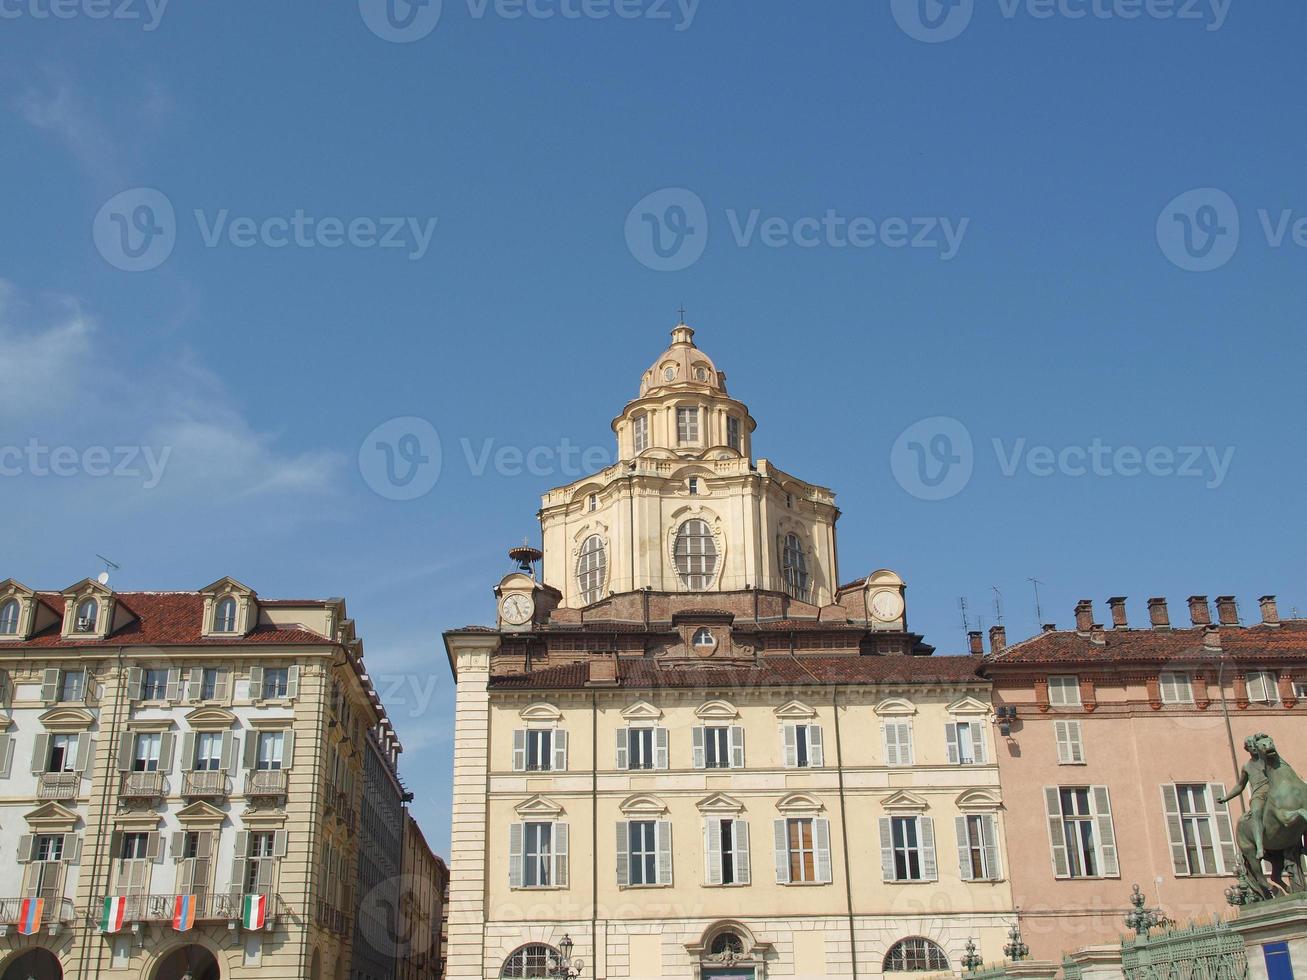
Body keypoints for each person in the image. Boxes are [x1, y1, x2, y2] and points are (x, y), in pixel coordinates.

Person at [1220, 734, 1269, 861]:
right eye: (1250, 745)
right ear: (1246, 749)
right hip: (1259, 794)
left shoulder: (1267, 760)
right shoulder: (1247, 767)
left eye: (1254, 744)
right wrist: (1226, 798)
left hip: (1273, 790)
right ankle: (1259, 847)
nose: (1253, 747)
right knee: (1256, 812)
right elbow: (1240, 786)